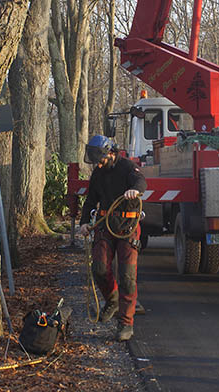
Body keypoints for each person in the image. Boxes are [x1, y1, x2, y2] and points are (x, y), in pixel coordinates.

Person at [78, 134, 146, 341]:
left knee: (127, 275)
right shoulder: (98, 174)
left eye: (101, 160)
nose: (98, 165)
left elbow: (140, 181)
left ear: (111, 153)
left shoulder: (127, 167)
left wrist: (135, 190)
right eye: (96, 162)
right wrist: (84, 223)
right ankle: (112, 298)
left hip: (128, 226)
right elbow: (91, 200)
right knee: (98, 268)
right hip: (104, 226)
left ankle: (125, 323)